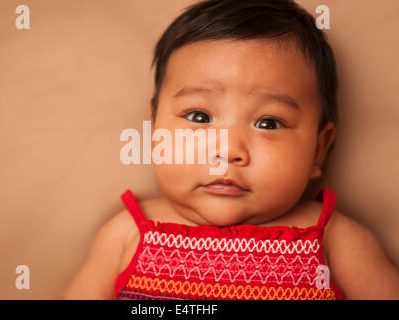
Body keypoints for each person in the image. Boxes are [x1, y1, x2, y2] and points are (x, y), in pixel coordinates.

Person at [62, 0, 399, 299]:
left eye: (268, 123)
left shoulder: (335, 241)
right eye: (199, 116)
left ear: (318, 150)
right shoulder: (128, 233)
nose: (227, 150)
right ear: (154, 133)